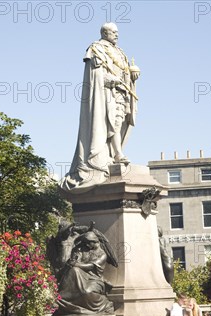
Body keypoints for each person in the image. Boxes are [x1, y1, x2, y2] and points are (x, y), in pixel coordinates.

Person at [60, 22, 140, 192]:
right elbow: (96, 76)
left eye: (118, 32)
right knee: (111, 124)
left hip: (121, 94)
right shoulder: (96, 49)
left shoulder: (120, 52)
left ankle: (116, 154)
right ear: (104, 33)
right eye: (113, 32)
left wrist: (133, 76)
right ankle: (117, 155)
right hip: (106, 95)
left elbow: (124, 74)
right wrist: (112, 80)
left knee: (119, 123)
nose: (117, 35)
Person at [56, 230, 118, 315]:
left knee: (86, 292)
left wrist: (76, 264)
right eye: (85, 243)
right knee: (74, 270)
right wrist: (74, 260)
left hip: (95, 279)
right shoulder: (82, 250)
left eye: (88, 243)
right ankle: (62, 296)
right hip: (81, 275)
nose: (86, 245)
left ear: (95, 242)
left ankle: (105, 303)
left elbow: (90, 266)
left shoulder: (102, 255)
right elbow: (76, 259)